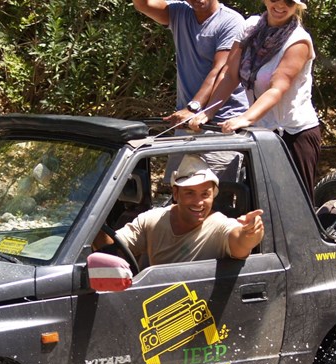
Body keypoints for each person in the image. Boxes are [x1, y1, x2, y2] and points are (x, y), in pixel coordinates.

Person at [189, 0, 321, 199]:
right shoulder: (250, 26)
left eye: (288, 1)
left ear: (296, 6)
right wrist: (208, 112)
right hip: (260, 132)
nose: (280, 6)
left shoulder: (298, 41)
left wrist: (244, 118)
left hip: (293, 134)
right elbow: (230, 74)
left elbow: (277, 88)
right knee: (257, 201)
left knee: (293, 204)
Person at [133, 0, 250, 182]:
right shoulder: (179, 13)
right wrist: (190, 112)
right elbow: (143, 5)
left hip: (220, 126)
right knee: (177, 190)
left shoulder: (231, 21)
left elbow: (221, 70)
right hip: (186, 124)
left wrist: (193, 107)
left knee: (215, 193)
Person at [95, 154, 264, 268]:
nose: (198, 202)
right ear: (175, 194)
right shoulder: (152, 219)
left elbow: (240, 244)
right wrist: (93, 221)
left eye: (205, 194)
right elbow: (112, 249)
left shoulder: (220, 225)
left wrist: (251, 232)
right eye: (189, 193)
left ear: (213, 195)